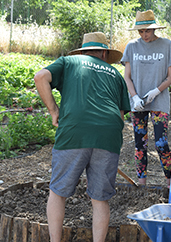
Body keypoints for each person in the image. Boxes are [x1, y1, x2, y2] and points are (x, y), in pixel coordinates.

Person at [34, 32, 130, 242]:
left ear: (83, 51)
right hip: (108, 135)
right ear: (104, 53)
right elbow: (121, 116)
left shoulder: (69, 62)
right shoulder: (115, 74)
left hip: (74, 131)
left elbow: (40, 77)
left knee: (58, 192)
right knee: (100, 199)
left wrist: (53, 111)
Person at [121, 10, 171, 186]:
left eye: (147, 31)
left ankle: (169, 182)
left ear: (154, 29)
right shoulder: (131, 46)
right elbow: (127, 77)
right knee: (140, 144)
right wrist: (135, 97)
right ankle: (141, 183)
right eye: (141, 31)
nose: (144, 35)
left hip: (159, 101)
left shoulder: (166, 45)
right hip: (137, 104)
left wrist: (156, 91)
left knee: (161, 143)